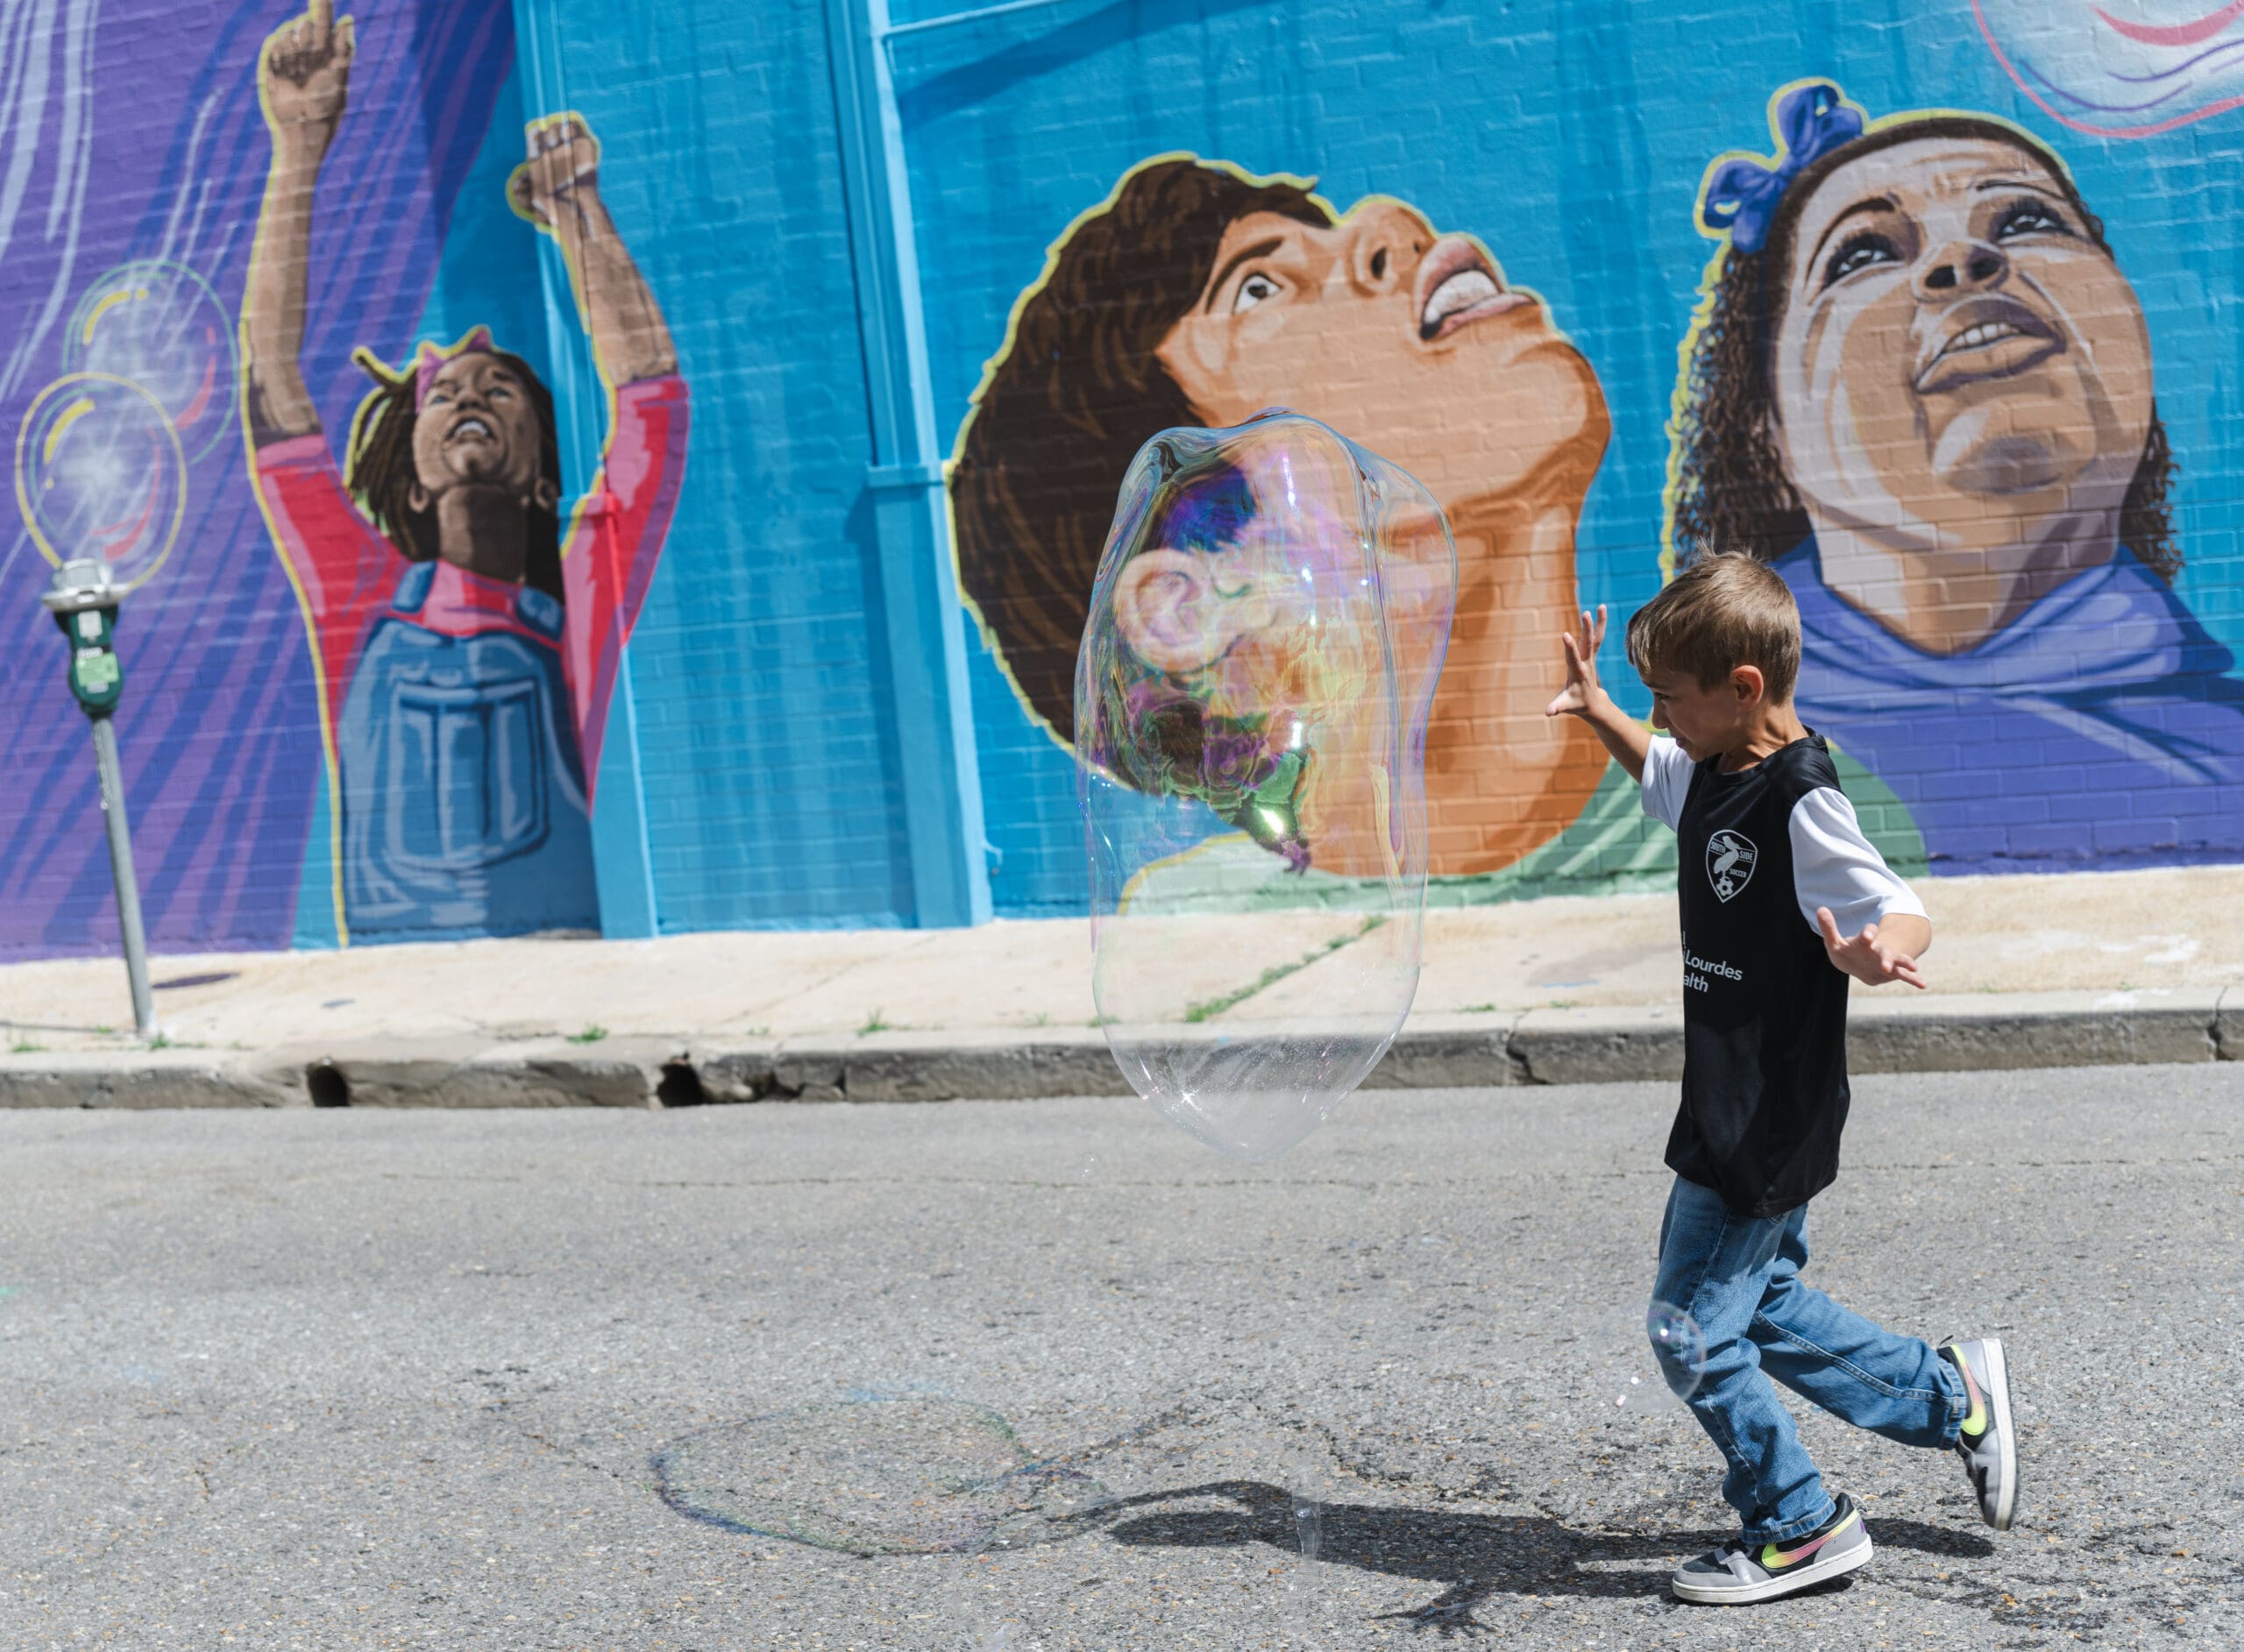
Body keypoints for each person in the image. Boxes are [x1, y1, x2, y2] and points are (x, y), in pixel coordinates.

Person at [1547, 555, 2017, 1604]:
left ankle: (1799, 1522)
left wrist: (1878, 948)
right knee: (1761, 1308)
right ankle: (1953, 1395)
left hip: (1762, 1112)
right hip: (1732, 1097)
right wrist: (1597, 713)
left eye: (1670, 697)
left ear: (1743, 688)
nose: (1660, 718)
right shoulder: (1713, 768)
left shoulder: (1800, 799)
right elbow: (1659, 775)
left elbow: (1895, 897)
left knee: (1693, 1335)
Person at [954, 155, 1614, 876]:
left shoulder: (1712, 798)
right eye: (1258, 288)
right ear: (1182, 608)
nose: (1389, 225)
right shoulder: (1208, 928)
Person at [1669, 81, 2244, 873]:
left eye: (2027, 219)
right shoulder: (1704, 777)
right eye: (1863, 251)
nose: (1964, 258)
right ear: (1767, 435)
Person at [243, 1, 687, 941]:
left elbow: (648, 393)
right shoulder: (355, 599)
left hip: (564, 949)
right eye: (444, 395)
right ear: (409, 477)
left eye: (502, 390)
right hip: (389, 977)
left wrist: (579, 216)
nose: (470, 396)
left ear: (541, 476)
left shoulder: (582, 605)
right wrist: (296, 152)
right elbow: (273, 383)